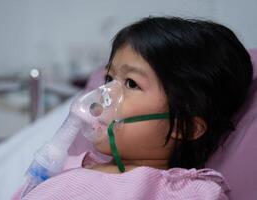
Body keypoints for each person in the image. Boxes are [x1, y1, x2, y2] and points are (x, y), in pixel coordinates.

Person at [13, 16, 253, 200]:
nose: (104, 95)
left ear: (186, 126)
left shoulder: (185, 191)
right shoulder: (67, 165)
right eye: (109, 79)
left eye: (130, 83)